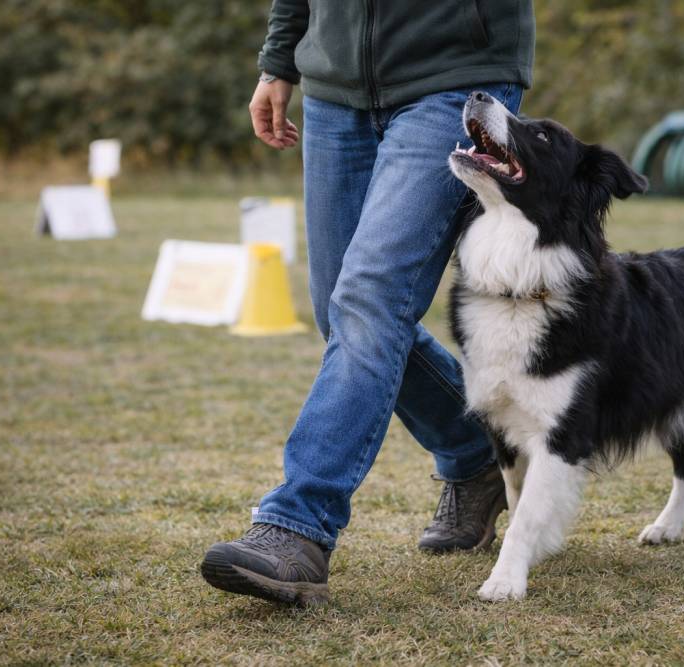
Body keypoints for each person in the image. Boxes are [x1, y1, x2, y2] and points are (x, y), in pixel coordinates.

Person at [200, 1, 535, 605]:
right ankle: (474, 454)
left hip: (454, 79)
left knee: (369, 300)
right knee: (340, 312)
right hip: (335, 92)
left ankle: (297, 524)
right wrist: (279, 61)